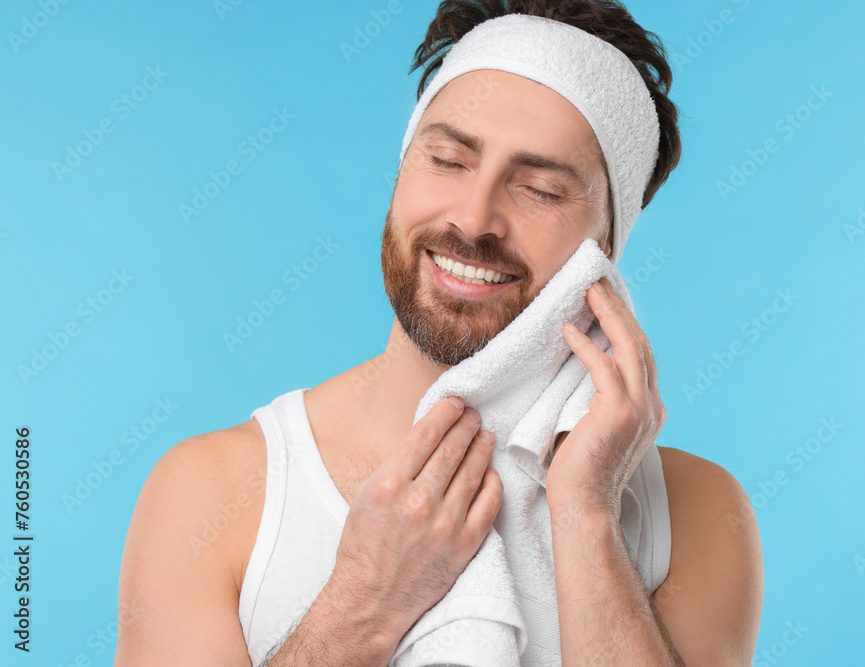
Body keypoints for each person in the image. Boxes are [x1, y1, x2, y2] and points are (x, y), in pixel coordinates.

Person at [115, 2, 763, 665]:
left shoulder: (695, 514)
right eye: (449, 159)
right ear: (402, 172)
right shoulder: (211, 492)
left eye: (540, 189)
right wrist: (362, 604)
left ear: (605, 248)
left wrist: (588, 516)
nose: (474, 218)